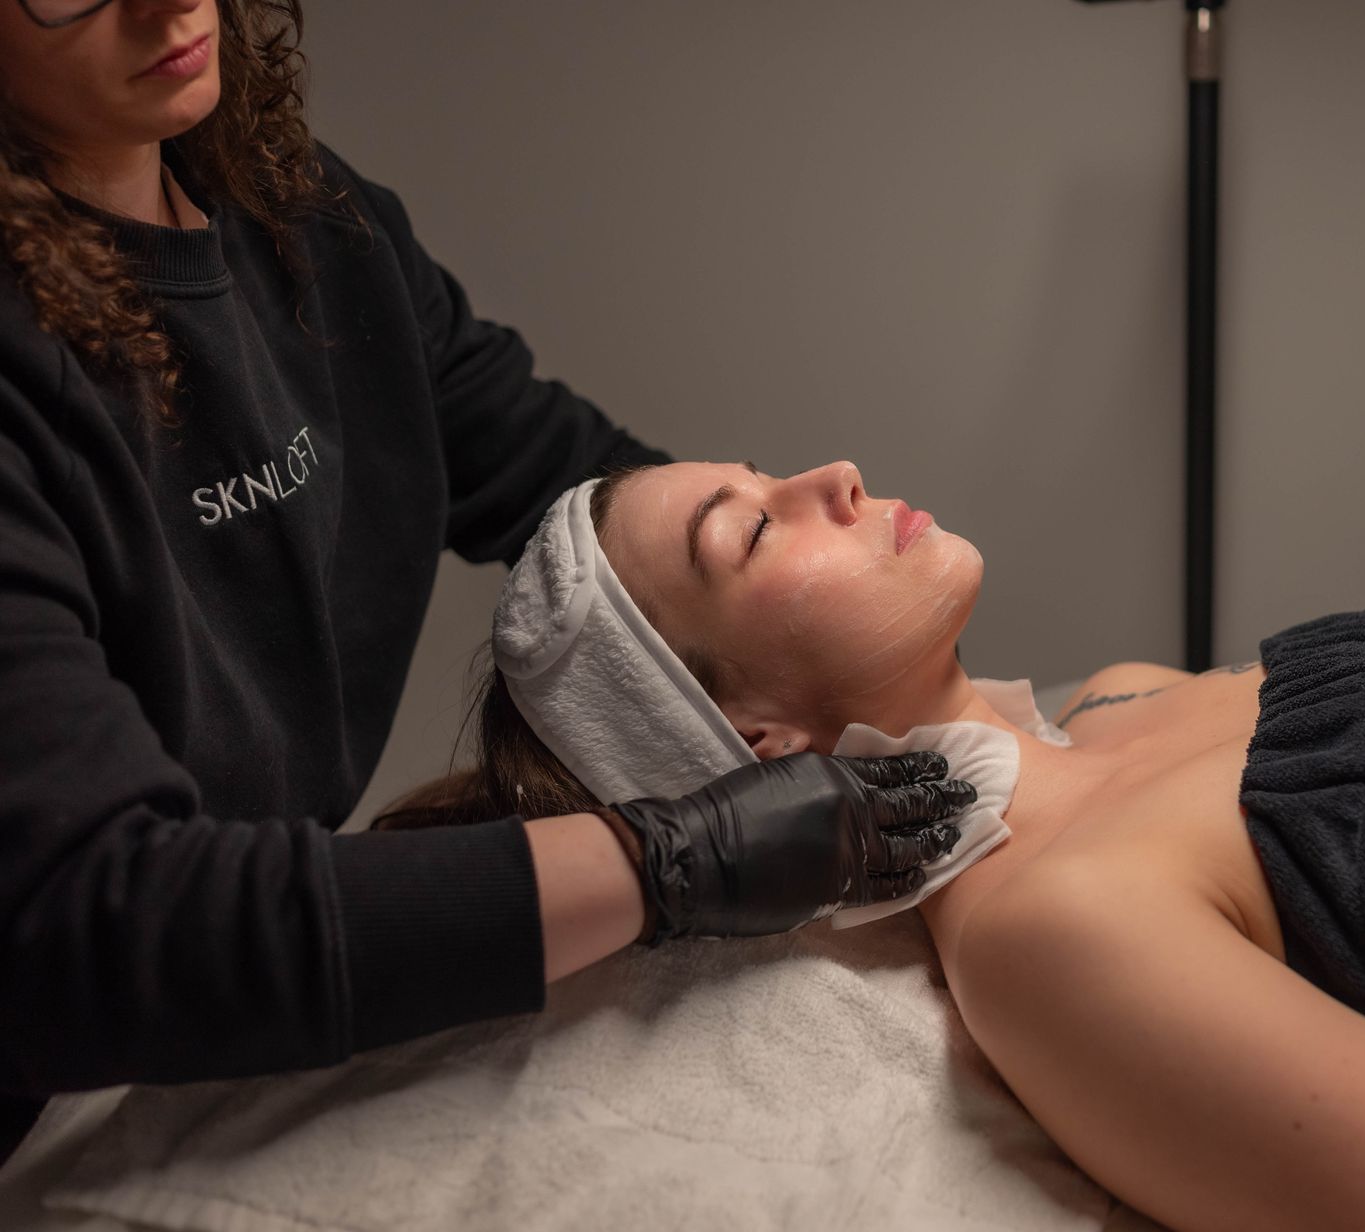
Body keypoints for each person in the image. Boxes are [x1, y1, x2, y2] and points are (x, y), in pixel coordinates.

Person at [386, 457, 1365, 1232]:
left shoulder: (1123, 699)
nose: (831, 476)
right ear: (761, 742)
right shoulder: (1050, 934)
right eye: (755, 529)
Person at [0, 0, 975, 1165]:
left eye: (758, 499)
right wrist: (666, 859)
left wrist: (815, 597)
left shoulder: (301, 219)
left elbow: (572, 488)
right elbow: (94, 929)